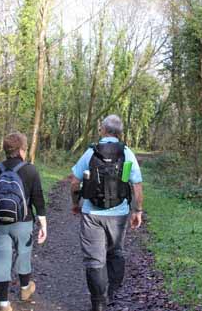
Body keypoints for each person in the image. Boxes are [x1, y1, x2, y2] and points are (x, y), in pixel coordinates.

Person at [70, 115, 144, 311]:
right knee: (116, 252)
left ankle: (98, 303)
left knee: (94, 260)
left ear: (103, 130)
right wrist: (137, 210)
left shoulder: (90, 152)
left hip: (92, 214)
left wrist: (75, 203)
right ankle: (112, 292)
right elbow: (135, 184)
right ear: (119, 132)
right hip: (119, 213)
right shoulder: (126, 153)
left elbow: (75, 182)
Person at [0, 132, 48, 311]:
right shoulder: (30, 169)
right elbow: (38, 199)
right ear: (22, 150)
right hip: (23, 221)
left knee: (0, 258)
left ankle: (3, 303)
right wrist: (43, 223)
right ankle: (25, 289)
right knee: (24, 252)